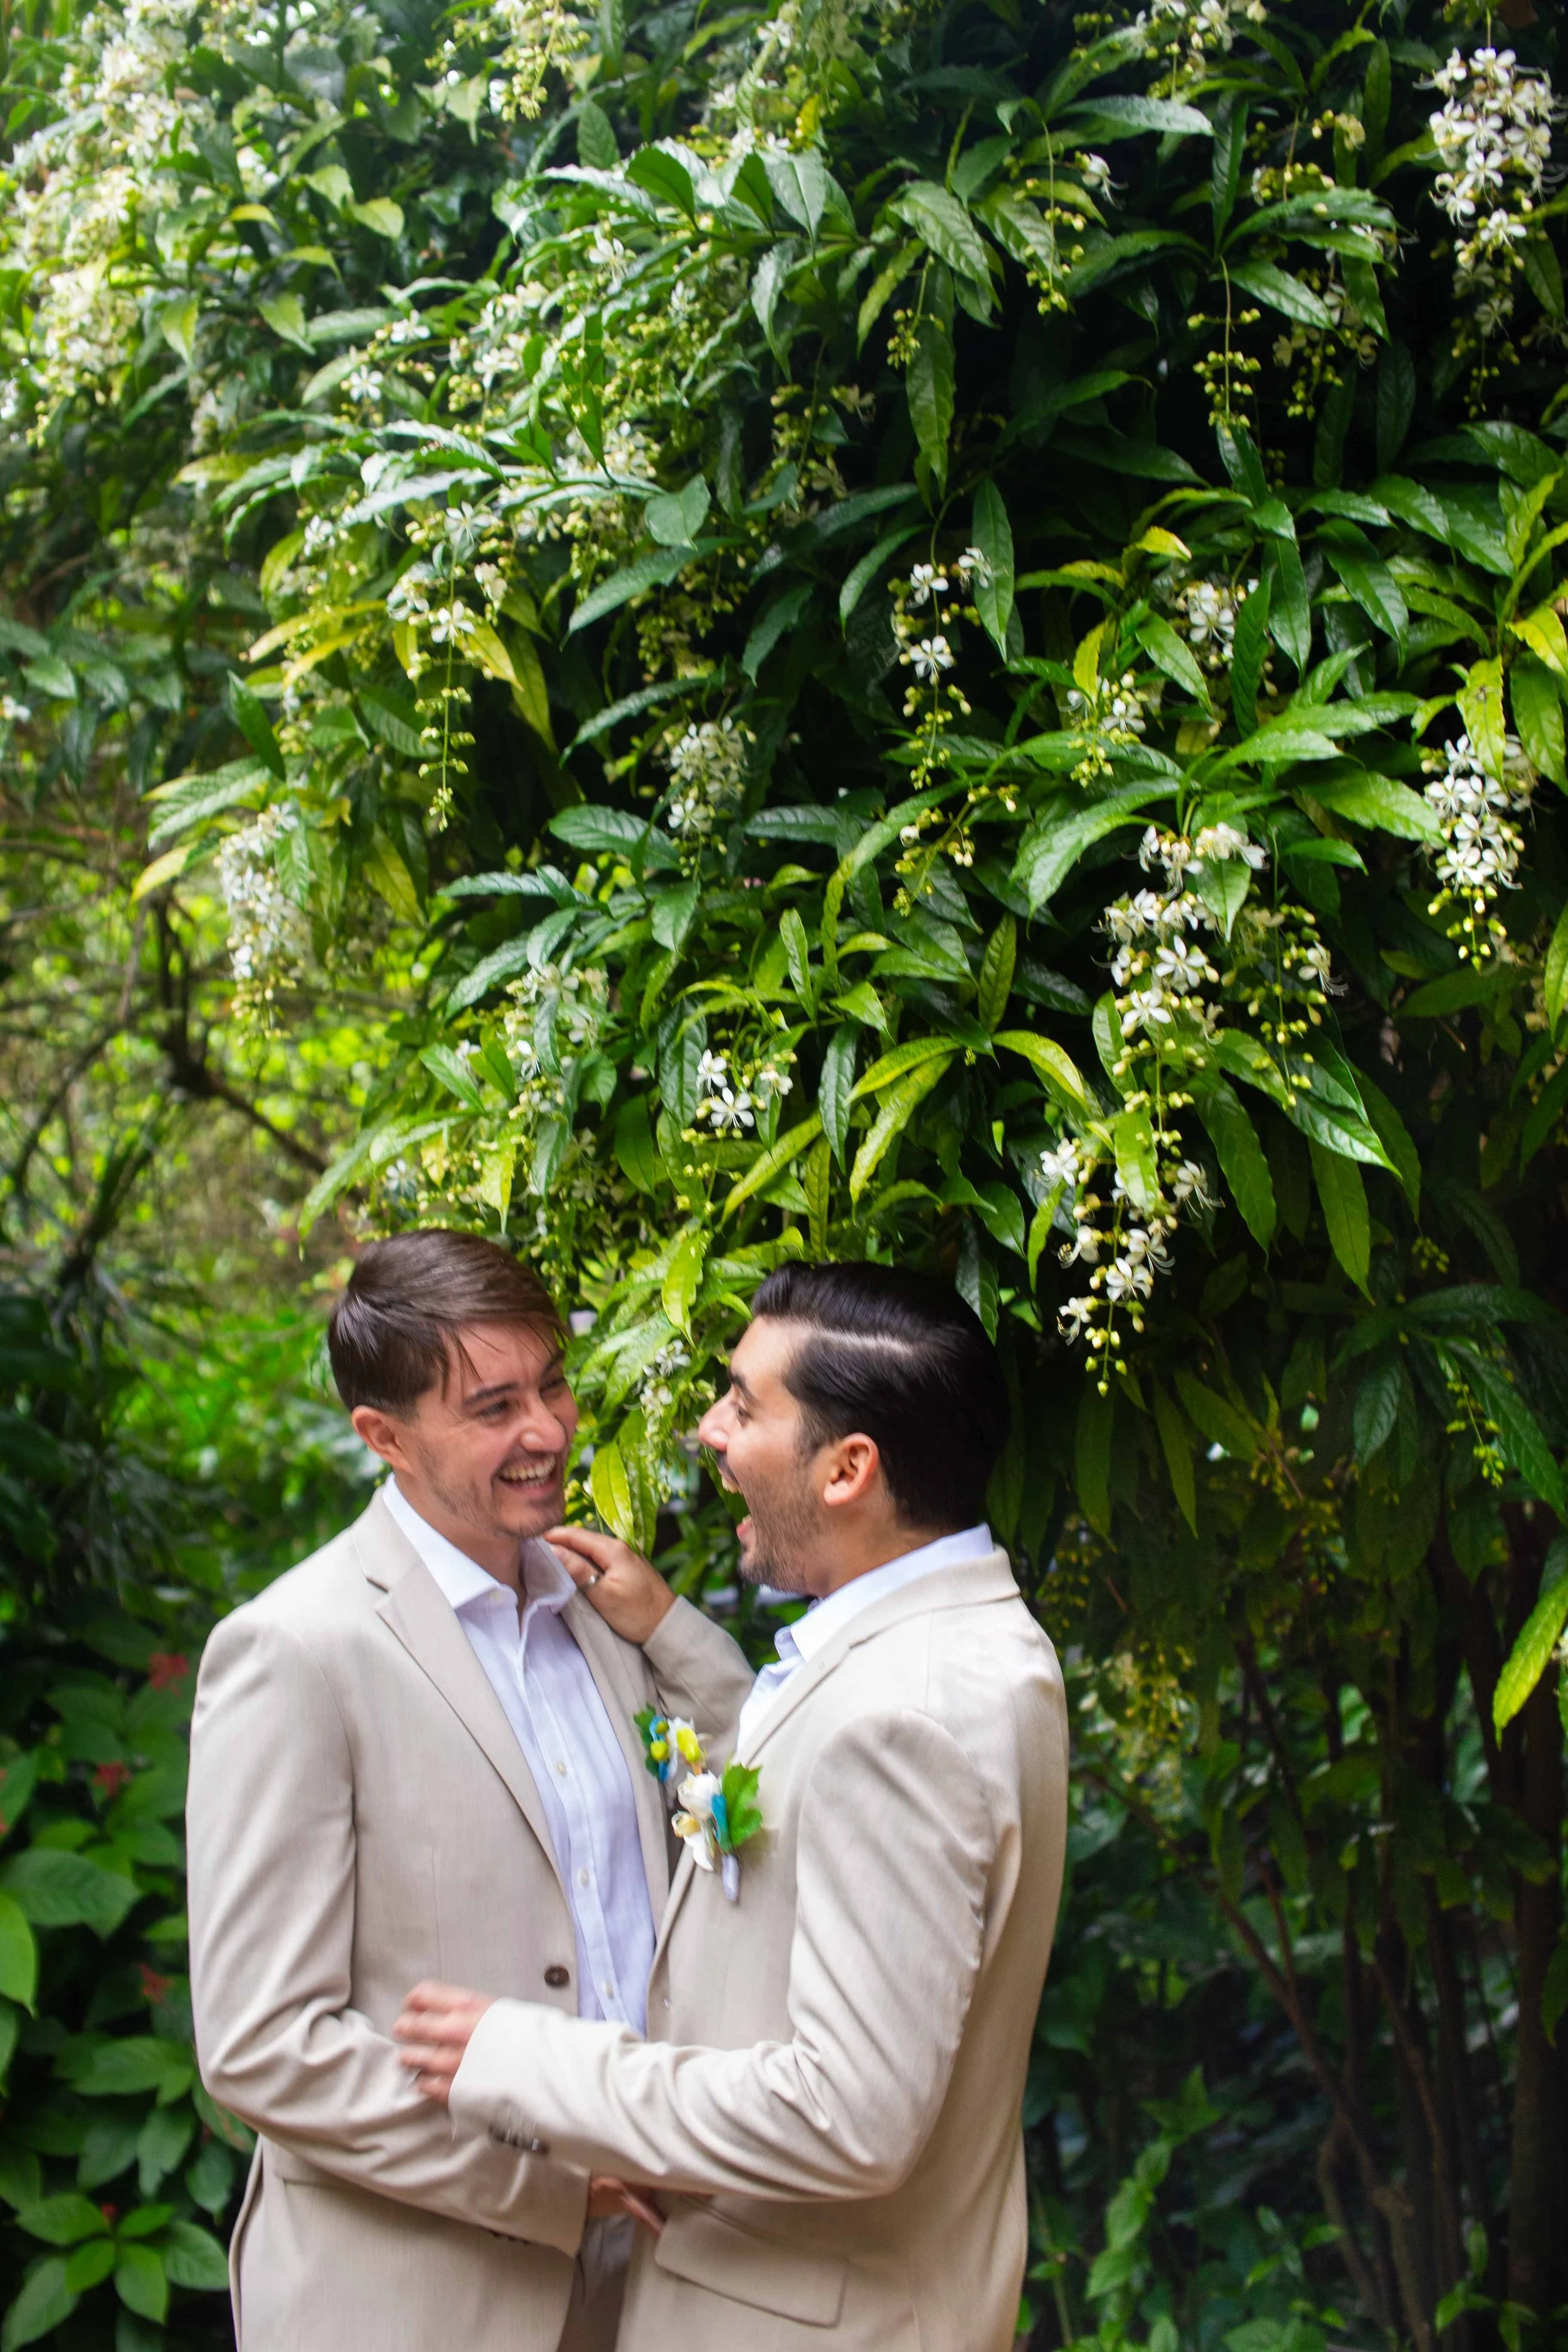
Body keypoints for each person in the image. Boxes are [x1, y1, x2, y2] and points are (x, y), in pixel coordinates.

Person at [395, 1259, 1071, 2352]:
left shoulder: (903, 1718)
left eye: (745, 1405)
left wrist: (529, 2064)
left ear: (850, 1467)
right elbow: (805, 1810)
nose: (710, 1430)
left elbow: (846, 2118)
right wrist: (670, 1633)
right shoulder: (971, 1643)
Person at [186, 1229, 753, 2352]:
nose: (545, 1430)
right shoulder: (295, 1650)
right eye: (493, 1407)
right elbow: (261, 2043)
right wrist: (546, 2176)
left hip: (649, 2277)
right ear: (383, 1436)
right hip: (414, 2299)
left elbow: (744, 1831)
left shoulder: (605, 1611)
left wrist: (674, 1630)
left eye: (551, 1384)